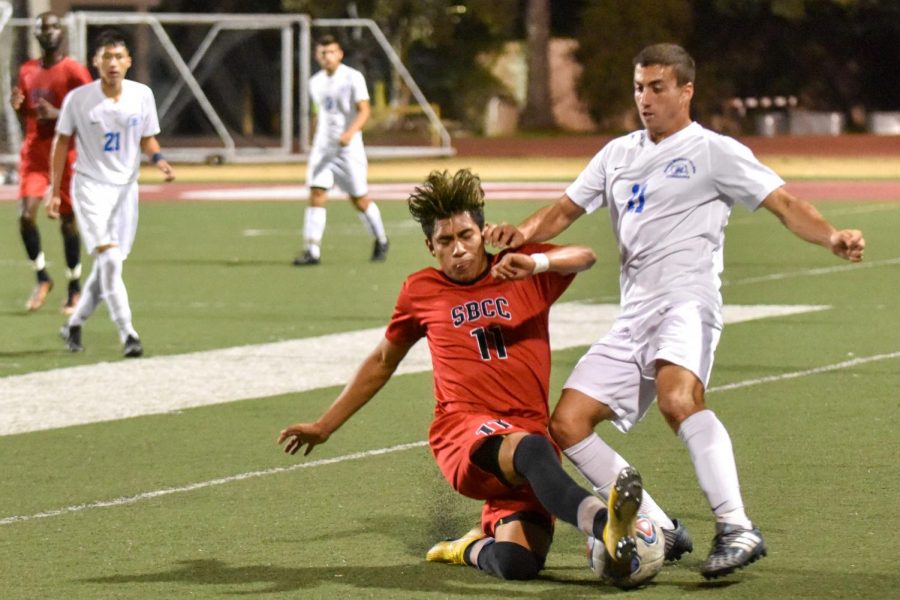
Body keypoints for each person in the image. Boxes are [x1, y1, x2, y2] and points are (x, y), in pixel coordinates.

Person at [483, 43, 865, 580]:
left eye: (657, 87)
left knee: (677, 399)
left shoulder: (714, 150)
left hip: (688, 302)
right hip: (633, 315)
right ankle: (658, 526)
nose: (645, 98)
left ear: (687, 90)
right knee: (567, 423)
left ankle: (736, 525)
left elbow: (784, 204)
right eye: (639, 87)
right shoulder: (618, 153)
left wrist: (831, 237)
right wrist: (520, 233)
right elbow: (565, 209)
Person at [279, 168, 643, 583]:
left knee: (516, 564)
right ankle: (604, 525)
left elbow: (585, 255)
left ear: (484, 232)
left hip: (523, 434)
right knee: (534, 451)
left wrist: (536, 261)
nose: (458, 251)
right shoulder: (421, 290)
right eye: (445, 241)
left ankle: (471, 545)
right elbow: (383, 361)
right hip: (464, 431)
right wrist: (325, 426)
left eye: (466, 236)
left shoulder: (521, 270)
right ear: (429, 246)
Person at [49, 29, 175, 358]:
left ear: (129, 61)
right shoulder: (78, 100)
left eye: (118, 57)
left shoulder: (142, 95)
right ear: (95, 62)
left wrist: (158, 159)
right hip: (90, 186)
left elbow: (147, 137)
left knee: (111, 264)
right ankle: (128, 332)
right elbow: (61, 143)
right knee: (107, 258)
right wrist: (54, 190)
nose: (113, 63)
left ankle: (74, 324)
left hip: (126, 191)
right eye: (106, 57)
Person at [11, 11, 92, 313]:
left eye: (54, 27)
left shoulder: (74, 71)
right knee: (26, 215)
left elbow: (90, 112)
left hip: (64, 152)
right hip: (35, 153)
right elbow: (28, 114)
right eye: (43, 28)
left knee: (67, 220)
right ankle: (42, 276)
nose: (49, 32)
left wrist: (58, 115)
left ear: (62, 33)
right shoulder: (27, 70)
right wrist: (20, 109)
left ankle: (74, 286)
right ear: (36, 34)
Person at [293, 34, 389, 266]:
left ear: (340, 54)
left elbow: (364, 111)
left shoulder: (352, 78)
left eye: (331, 52)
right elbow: (320, 113)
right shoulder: (315, 82)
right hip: (323, 148)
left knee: (359, 199)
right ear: (317, 56)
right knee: (316, 193)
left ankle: (381, 239)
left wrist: (349, 133)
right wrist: (312, 137)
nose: (327, 57)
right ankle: (312, 250)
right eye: (323, 53)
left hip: (348, 149)